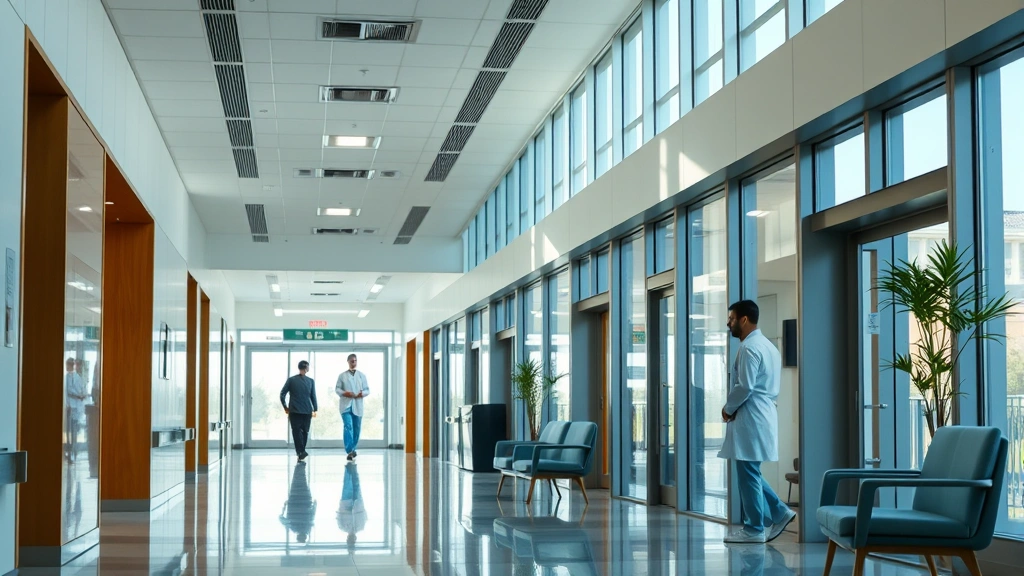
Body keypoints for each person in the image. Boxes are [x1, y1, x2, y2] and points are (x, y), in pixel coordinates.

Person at [719, 300, 796, 544]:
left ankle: (754, 528)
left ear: (744, 319)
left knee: (748, 471)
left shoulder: (750, 348)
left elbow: (745, 386)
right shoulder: (768, 346)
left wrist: (727, 408)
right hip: (761, 413)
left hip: (751, 415)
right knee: (749, 470)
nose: (728, 323)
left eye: (731, 318)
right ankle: (779, 511)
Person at [335, 354, 370, 461]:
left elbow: (367, 390)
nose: (353, 362)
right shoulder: (342, 376)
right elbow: (337, 389)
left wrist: (362, 393)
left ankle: (353, 449)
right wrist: (345, 393)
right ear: (348, 362)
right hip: (346, 406)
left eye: (355, 361)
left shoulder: (362, 375)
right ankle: (349, 450)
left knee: (356, 428)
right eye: (351, 361)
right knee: (348, 426)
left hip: (357, 405)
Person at [280, 360, 317, 461]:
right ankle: (301, 452)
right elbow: (313, 396)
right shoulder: (310, 381)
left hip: (294, 411)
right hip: (307, 411)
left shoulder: (291, 380)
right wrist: (315, 409)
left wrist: (285, 407)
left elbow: (282, 394)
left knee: (296, 432)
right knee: (305, 431)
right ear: (306, 368)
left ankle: (300, 452)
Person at [279, 462, 316, 543]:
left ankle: (301, 467)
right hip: (294, 500)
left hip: (305, 500)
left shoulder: (307, 527)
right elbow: (281, 518)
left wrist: (314, 504)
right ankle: (299, 467)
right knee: (296, 482)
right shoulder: (292, 527)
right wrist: (284, 507)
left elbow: (312, 514)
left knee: (303, 483)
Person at [336, 462, 366, 550]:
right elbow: (364, 515)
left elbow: (338, 515)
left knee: (347, 485)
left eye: (349, 540)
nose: (351, 539)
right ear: (355, 539)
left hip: (346, 503)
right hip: (358, 503)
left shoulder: (342, 527)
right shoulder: (360, 527)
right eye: (352, 540)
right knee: (356, 485)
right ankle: (354, 468)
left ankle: (348, 468)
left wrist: (345, 510)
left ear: (347, 539)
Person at [64, 357, 88, 462]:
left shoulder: (78, 377)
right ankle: (70, 452)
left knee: (75, 431)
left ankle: (74, 452)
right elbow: (68, 392)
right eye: (68, 364)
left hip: (77, 408)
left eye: (71, 364)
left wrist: (82, 395)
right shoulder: (66, 378)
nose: (70, 366)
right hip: (70, 407)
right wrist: (77, 397)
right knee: (70, 431)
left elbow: (83, 390)